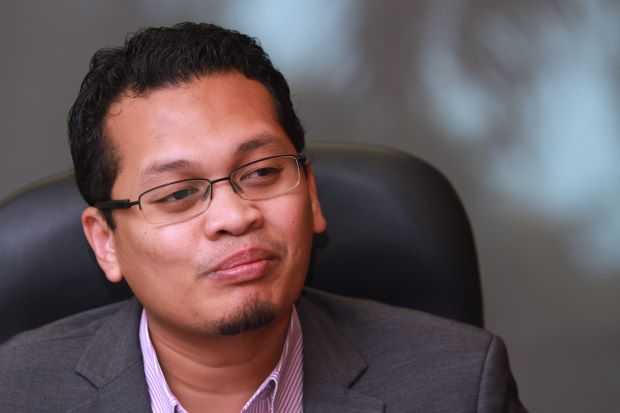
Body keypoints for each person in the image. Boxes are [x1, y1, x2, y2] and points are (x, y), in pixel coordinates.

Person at [0, 22, 526, 412]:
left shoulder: (459, 385)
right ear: (106, 242)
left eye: (262, 173)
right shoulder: (15, 393)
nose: (234, 216)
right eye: (178, 193)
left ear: (311, 194)